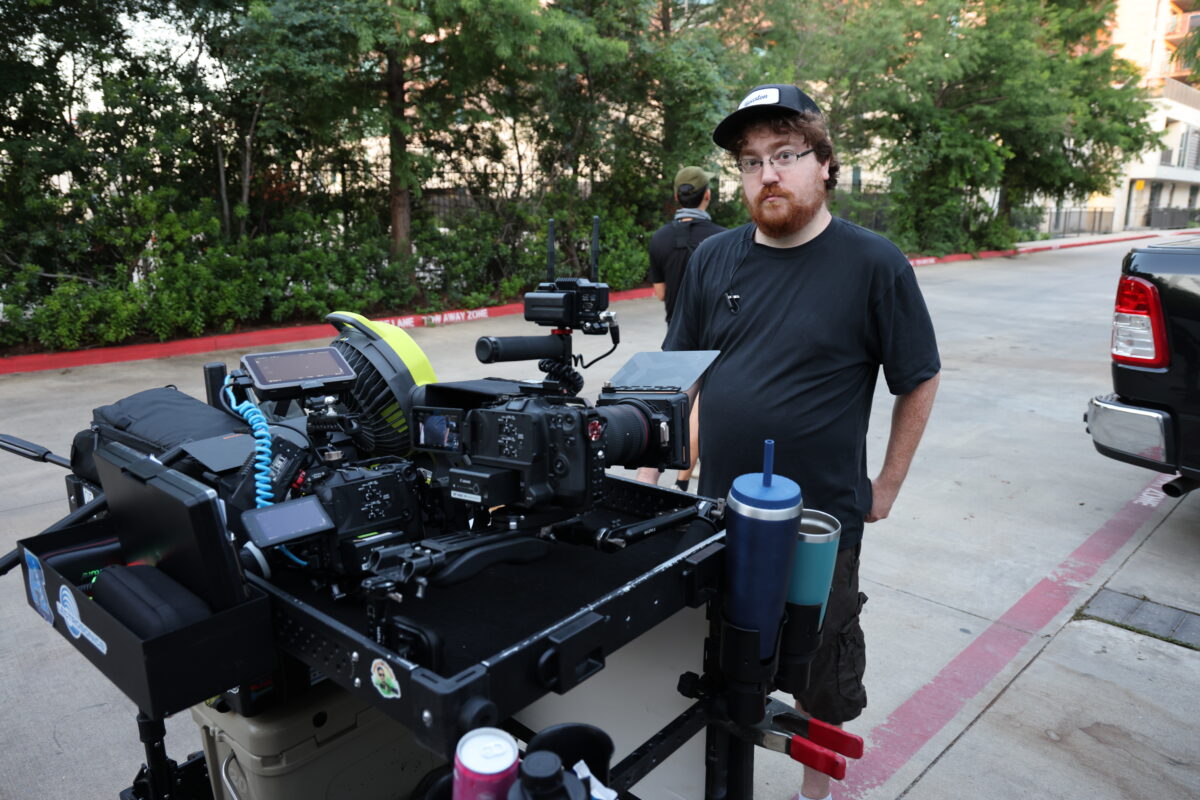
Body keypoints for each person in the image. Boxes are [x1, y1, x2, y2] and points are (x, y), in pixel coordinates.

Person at [638, 84, 940, 800]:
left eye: (785, 155)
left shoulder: (873, 263)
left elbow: (918, 377)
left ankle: (814, 795)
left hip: (819, 525)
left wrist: (887, 485)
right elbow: (685, 378)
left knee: (817, 675)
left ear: (825, 166)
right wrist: (664, 469)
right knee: (715, 666)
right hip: (717, 515)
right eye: (750, 162)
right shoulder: (714, 261)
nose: (766, 174)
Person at [648, 166, 725, 491]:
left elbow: (661, 293)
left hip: (675, 335)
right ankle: (682, 481)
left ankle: (666, 476)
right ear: (707, 195)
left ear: (676, 197)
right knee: (697, 409)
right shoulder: (722, 240)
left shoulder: (660, 239)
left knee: (674, 404)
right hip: (713, 337)